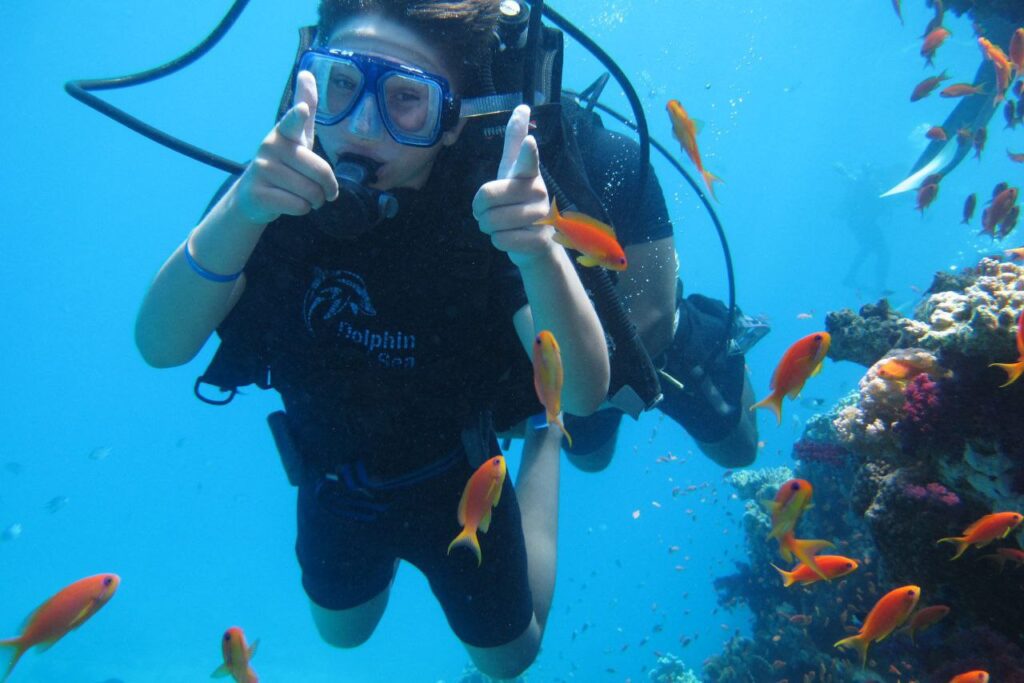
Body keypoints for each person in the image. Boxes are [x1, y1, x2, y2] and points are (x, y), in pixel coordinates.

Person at [134, 1, 610, 678]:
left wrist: (538, 253)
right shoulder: (267, 197)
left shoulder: (485, 215)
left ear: (452, 122)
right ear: (310, 80)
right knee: (342, 637)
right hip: (333, 475)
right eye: (342, 84)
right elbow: (159, 344)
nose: (362, 123)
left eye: (405, 100)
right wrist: (242, 209)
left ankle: (541, 437)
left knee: (510, 658)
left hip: (459, 475)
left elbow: (586, 393)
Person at [557, 112, 760, 472]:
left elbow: (653, 319)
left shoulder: (606, 154)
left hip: (656, 342)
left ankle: (709, 325)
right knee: (590, 461)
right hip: (570, 345)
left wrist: (589, 393)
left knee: (739, 450)